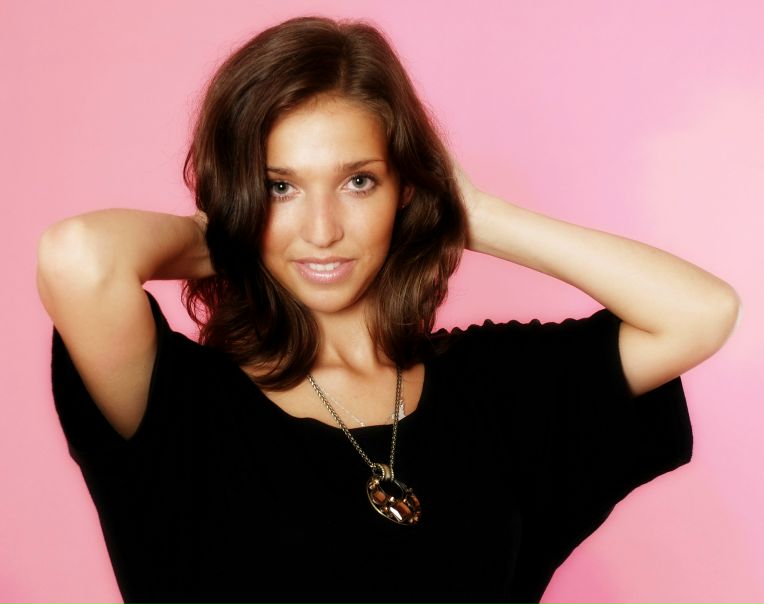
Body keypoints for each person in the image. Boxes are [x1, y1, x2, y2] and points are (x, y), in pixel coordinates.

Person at [36, 15, 740, 604]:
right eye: (280, 187)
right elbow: (78, 257)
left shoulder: (490, 390)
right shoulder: (183, 407)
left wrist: (474, 214)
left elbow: (700, 312)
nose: (321, 230)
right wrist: (229, 231)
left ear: (405, 187)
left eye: (358, 182)